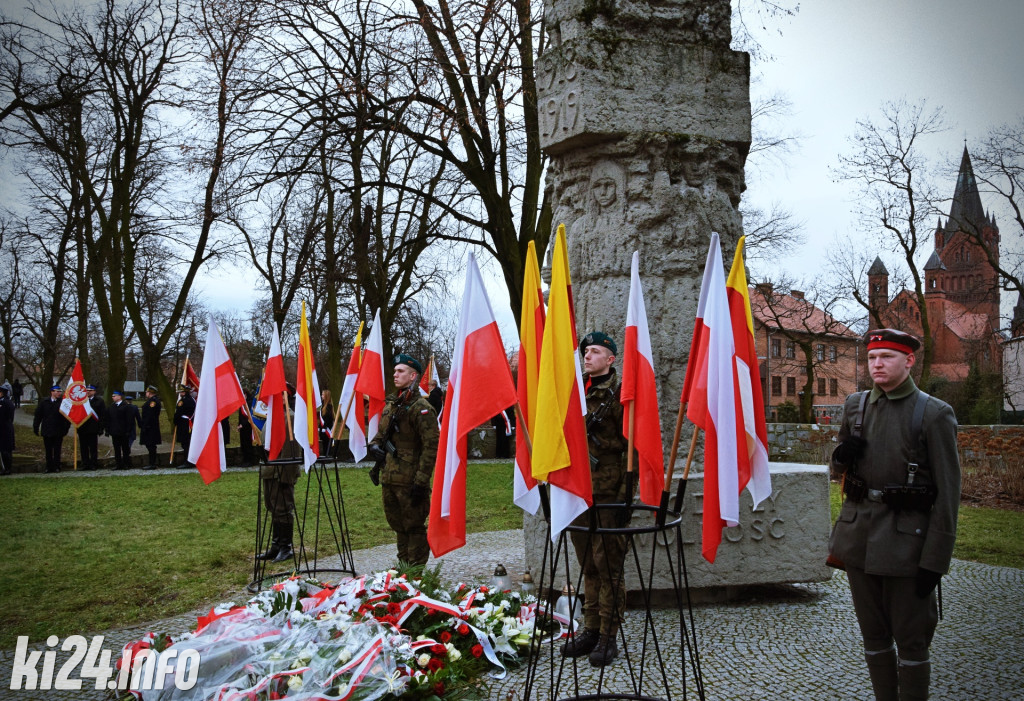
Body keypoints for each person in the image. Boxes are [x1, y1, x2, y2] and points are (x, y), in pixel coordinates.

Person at [828, 329, 960, 701]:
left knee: (912, 641)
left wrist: (935, 561)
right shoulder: (855, 405)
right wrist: (841, 457)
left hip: (906, 546)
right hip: (858, 542)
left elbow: (949, 494)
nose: (877, 364)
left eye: (886, 357)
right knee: (873, 636)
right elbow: (839, 470)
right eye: (872, 358)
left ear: (910, 361)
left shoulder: (934, 413)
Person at [562, 331, 632, 667]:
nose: (587, 357)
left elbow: (631, 450)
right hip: (579, 491)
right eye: (585, 351)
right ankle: (589, 628)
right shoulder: (576, 392)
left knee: (609, 567)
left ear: (611, 359)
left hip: (607, 492)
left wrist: (623, 498)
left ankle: (608, 635)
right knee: (588, 563)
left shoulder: (620, 396)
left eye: (594, 352)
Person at [367, 354, 439, 567]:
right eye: (395, 371)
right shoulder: (393, 405)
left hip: (410, 480)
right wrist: (375, 447)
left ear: (413, 376)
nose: (395, 374)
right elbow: (380, 435)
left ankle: (415, 575)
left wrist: (421, 480)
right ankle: (403, 568)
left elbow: (431, 446)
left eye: (400, 371)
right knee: (398, 526)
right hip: (390, 476)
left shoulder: (420, 408)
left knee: (414, 527)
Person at [33, 384, 70, 473]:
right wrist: (36, 427)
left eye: (60, 391)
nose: (59, 393)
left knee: (57, 449)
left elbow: (67, 417)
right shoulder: (44, 402)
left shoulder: (63, 402)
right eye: (57, 391)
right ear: (52, 392)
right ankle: (49, 467)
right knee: (48, 450)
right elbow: (38, 415)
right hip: (47, 429)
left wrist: (66, 429)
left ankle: (57, 466)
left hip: (58, 430)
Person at [105, 390, 138, 470]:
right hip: (115, 432)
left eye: (114, 396)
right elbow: (108, 419)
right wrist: (108, 430)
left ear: (119, 397)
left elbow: (129, 420)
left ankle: (126, 464)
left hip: (124, 432)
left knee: (125, 449)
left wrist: (128, 430)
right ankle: (118, 464)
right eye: (112, 396)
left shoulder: (126, 406)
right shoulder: (111, 407)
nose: (113, 397)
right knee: (117, 449)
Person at [79, 385, 107, 470]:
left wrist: (101, 428)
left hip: (93, 428)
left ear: (94, 392)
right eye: (87, 390)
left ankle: (93, 464)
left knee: (93, 448)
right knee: (83, 448)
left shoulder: (99, 401)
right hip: (82, 428)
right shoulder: (81, 401)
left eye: (90, 390)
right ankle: (85, 464)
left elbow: (102, 416)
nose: (88, 392)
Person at [139, 386, 162, 470]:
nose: (146, 394)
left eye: (147, 392)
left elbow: (150, 415)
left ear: (150, 392)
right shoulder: (151, 401)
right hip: (149, 426)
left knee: (151, 446)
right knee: (150, 445)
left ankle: (152, 463)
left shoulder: (153, 402)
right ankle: (152, 463)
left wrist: (145, 425)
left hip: (151, 427)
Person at [173, 384, 196, 468]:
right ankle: (190, 460)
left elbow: (178, 412)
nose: (180, 393)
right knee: (188, 443)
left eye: (181, 392)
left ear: (184, 392)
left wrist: (175, 421)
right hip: (190, 423)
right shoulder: (192, 400)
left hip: (184, 424)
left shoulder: (182, 401)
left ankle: (188, 461)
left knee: (185, 443)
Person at [0, 385, 15, 475]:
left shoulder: (6, 403)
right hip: (4, 429)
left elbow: (8, 417)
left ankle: (7, 468)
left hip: (5, 429)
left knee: (5, 450)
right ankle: (5, 468)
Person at [319, 388, 335, 457]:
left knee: (327, 443)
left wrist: (325, 426)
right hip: (322, 430)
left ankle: (327, 455)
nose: (321, 396)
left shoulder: (329, 407)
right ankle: (325, 455)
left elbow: (329, 418)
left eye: (323, 394)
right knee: (324, 443)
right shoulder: (323, 406)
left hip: (327, 429)